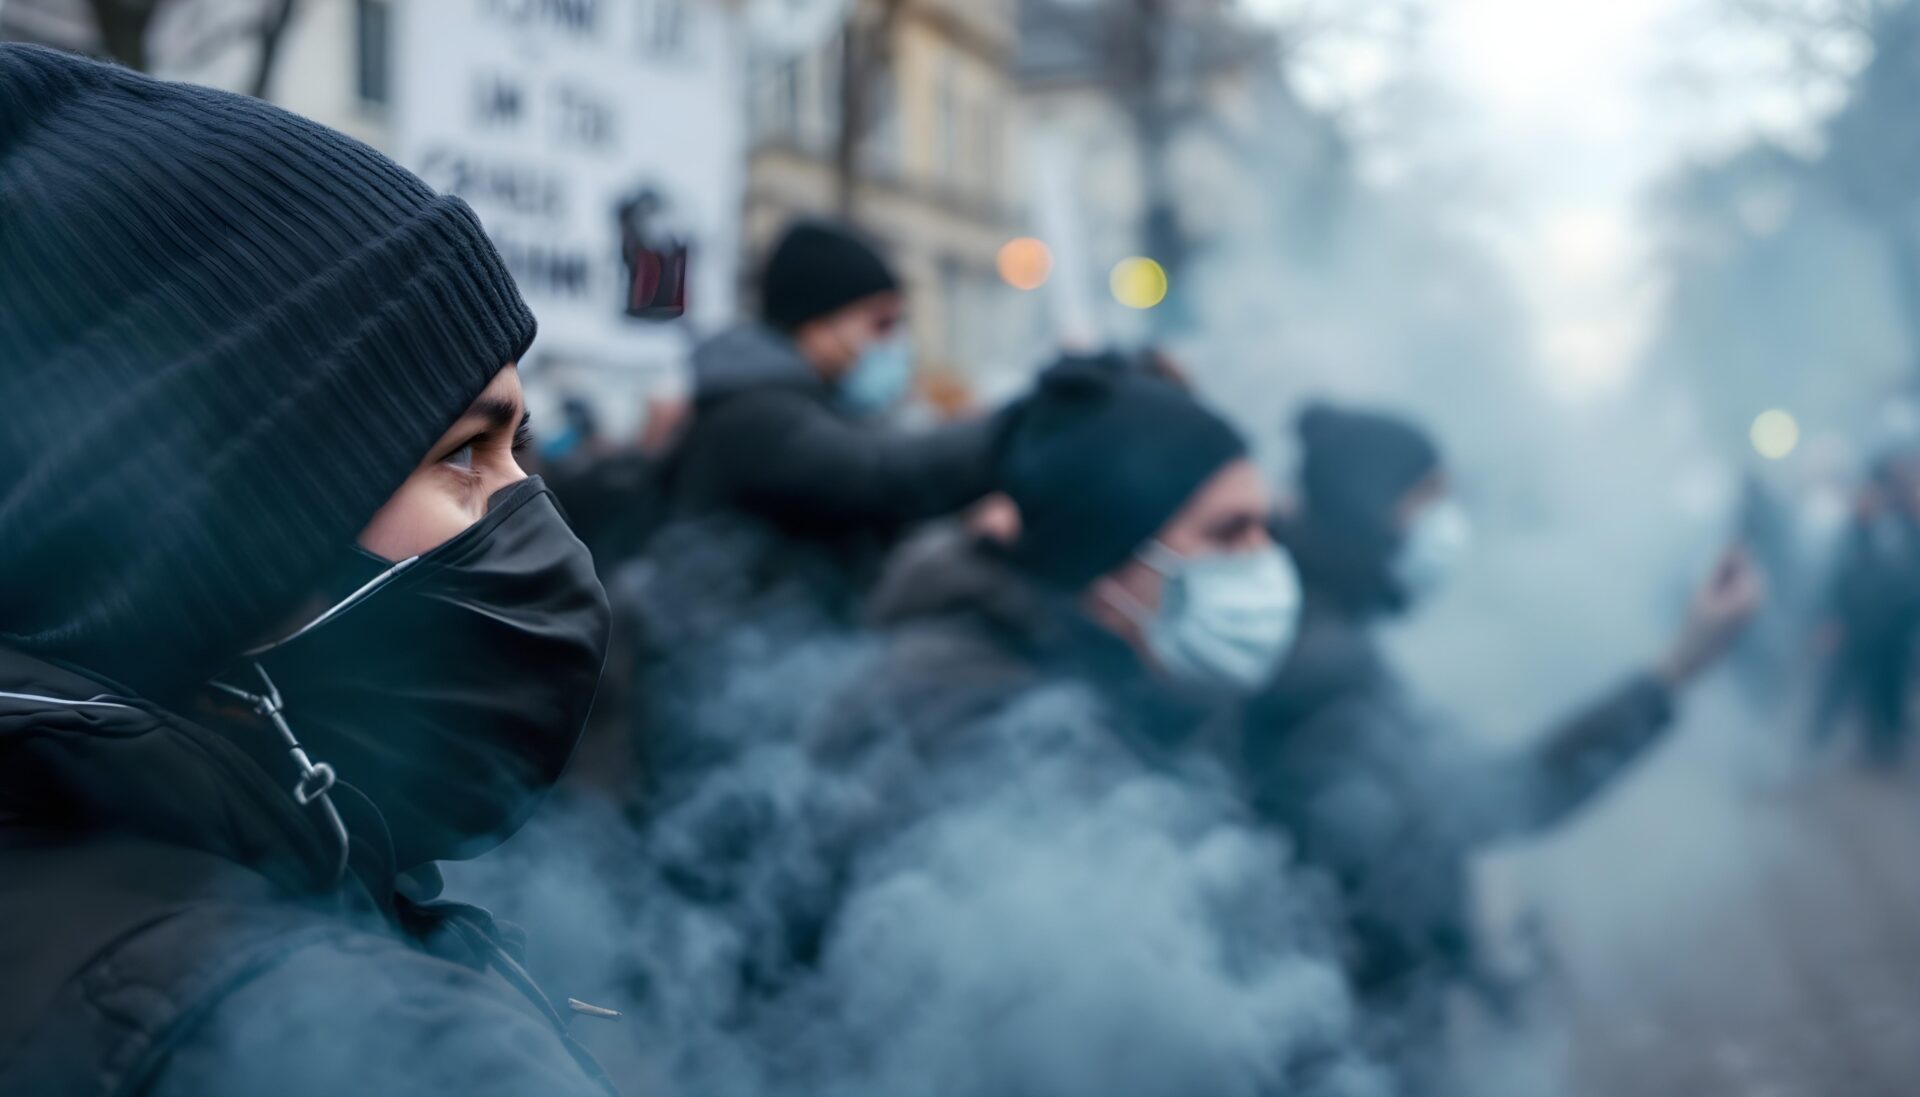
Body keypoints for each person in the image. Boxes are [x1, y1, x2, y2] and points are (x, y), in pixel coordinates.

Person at [0, 46, 616, 1097]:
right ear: (215, 539)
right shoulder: (383, 1048)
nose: (524, 504)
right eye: (464, 451)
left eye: (523, 446)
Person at [1240, 403, 1764, 1087]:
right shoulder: (1323, 661)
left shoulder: (1322, 629)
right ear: (1368, 511)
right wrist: (1678, 666)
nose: (1445, 525)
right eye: (1427, 499)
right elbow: (1501, 796)